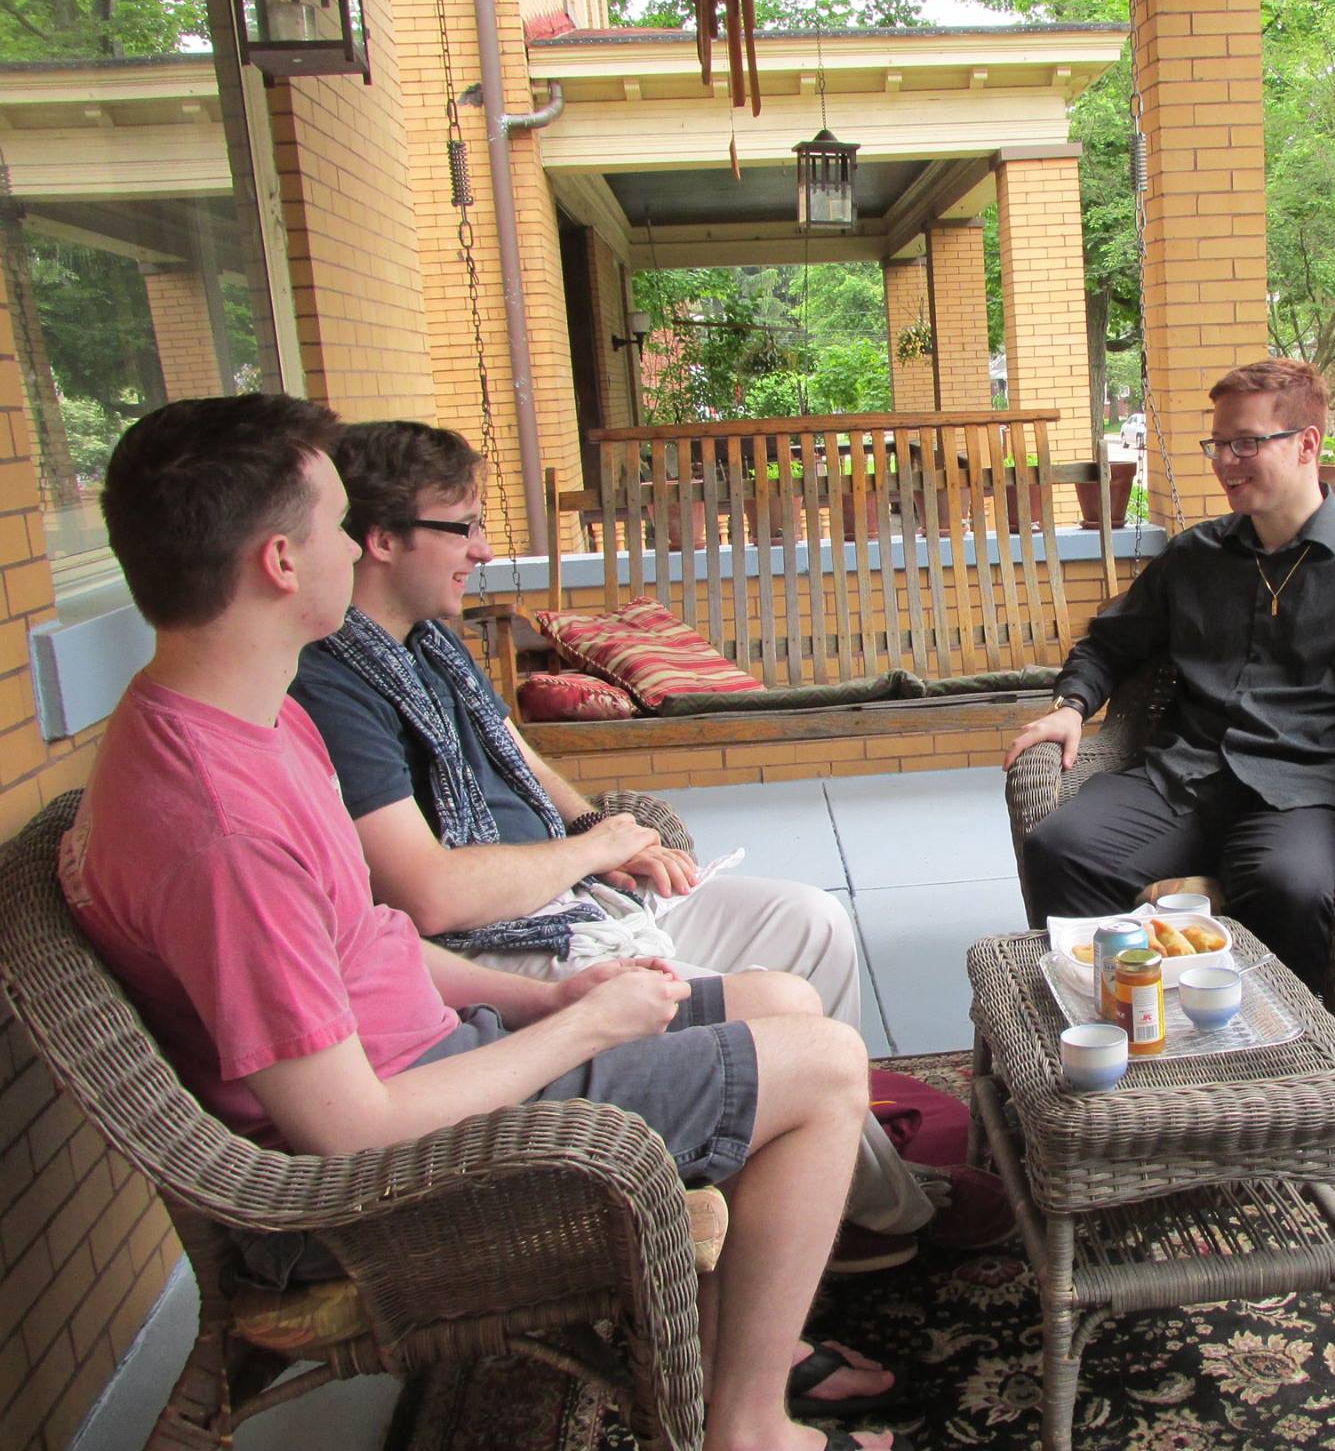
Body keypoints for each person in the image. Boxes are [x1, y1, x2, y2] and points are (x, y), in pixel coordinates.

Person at [61, 395, 896, 1451]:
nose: (351, 547)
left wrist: (546, 999)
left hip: (440, 1059)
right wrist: (580, 1028)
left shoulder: (250, 722)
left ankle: (738, 1340)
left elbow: (367, 946)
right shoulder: (219, 826)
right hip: (378, 1192)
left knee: (779, 998)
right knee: (823, 1066)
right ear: (280, 561)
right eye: (336, 525)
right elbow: (350, 1130)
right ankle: (748, 1429)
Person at [286, 420, 997, 1279]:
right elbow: (426, 894)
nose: (482, 549)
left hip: (568, 895)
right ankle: (874, 1206)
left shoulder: (427, 640)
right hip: (500, 942)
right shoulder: (332, 682)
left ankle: (818, 1187)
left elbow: (517, 754)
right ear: (382, 539)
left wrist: (595, 829)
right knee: (778, 1011)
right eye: (463, 526)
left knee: (812, 922)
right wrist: (590, 853)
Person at [1004, 359, 1335, 995]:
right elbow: (1110, 643)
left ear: (1307, 444)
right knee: (1062, 848)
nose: (1224, 461)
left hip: (1298, 792)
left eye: (1245, 443)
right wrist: (1071, 705)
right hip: (1181, 777)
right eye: (1217, 443)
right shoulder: (1195, 556)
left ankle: (1277, 1042)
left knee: (1289, 887)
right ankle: (1118, 1014)